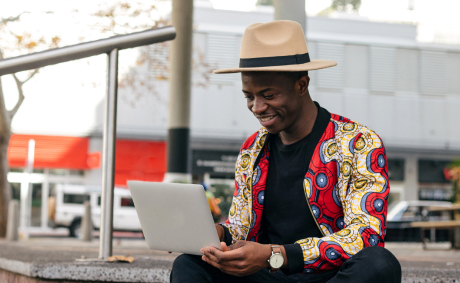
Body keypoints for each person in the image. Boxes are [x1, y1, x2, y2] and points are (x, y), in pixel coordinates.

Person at [171, 20, 401, 282]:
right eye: (249, 96)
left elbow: (365, 235)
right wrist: (218, 236)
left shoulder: (359, 142)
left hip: (330, 276)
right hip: (267, 276)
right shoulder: (251, 148)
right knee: (189, 263)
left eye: (268, 95)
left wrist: (276, 254)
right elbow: (241, 226)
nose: (257, 107)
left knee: (380, 263)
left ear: (301, 85)